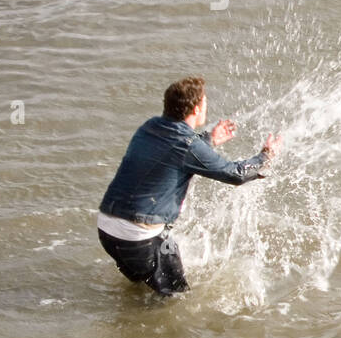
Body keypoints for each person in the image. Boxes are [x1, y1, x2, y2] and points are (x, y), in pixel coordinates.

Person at [97, 76, 282, 296]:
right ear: (196, 109)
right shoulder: (189, 145)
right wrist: (266, 156)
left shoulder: (149, 127)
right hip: (139, 238)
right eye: (205, 102)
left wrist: (209, 140)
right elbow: (235, 175)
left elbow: (174, 151)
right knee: (176, 298)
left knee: (141, 291)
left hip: (107, 230)